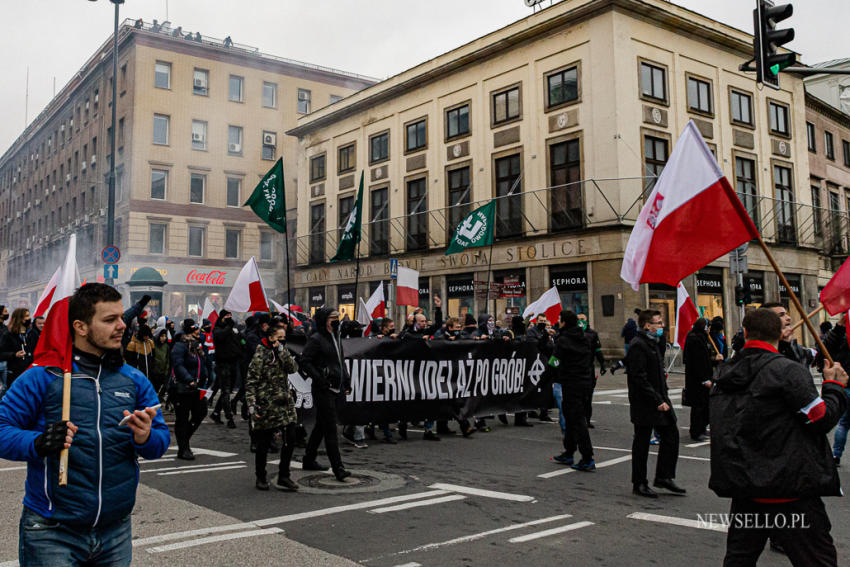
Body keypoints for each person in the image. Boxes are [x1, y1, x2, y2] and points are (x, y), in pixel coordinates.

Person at [0, 283, 169, 566]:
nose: (121, 326)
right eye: (109, 320)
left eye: (121, 317)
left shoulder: (134, 379)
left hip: (116, 529)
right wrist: (38, 443)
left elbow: (160, 440)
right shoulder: (42, 377)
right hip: (52, 532)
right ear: (80, 326)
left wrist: (146, 437)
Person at [710, 308, 847, 566]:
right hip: (789, 493)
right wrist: (834, 388)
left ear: (746, 333)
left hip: (746, 491)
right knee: (817, 560)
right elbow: (821, 418)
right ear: (780, 334)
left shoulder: (726, 371)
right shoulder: (787, 371)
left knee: (739, 560)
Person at [626, 309, 684, 498]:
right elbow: (638, 377)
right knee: (642, 442)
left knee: (671, 434)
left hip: (660, 396)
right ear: (647, 325)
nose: (662, 326)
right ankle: (639, 482)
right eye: (658, 323)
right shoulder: (638, 344)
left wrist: (662, 396)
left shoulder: (653, 343)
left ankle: (664, 476)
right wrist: (657, 399)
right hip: (646, 401)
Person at [299, 307, 351, 481]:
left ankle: (308, 458)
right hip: (323, 389)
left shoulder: (336, 336)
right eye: (332, 317)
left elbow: (340, 360)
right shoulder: (316, 339)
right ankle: (338, 468)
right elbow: (305, 361)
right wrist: (319, 378)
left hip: (336, 386)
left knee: (321, 425)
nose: (336, 320)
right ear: (324, 320)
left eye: (337, 316)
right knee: (330, 428)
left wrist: (347, 380)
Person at [246, 325, 299, 491]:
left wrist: (282, 351)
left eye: (284, 338)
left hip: (285, 403)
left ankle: (284, 475)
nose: (282, 340)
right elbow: (251, 381)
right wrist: (252, 405)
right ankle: (260, 476)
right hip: (267, 404)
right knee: (263, 443)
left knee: (290, 439)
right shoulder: (260, 354)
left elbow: (293, 368)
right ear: (271, 337)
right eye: (280, 337)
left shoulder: (282, 351)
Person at [551, 310, 595, 471]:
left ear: (564, 322)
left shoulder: (563, 340)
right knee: (571, 417)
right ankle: (569, 451)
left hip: (571, 383)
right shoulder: (584, 338)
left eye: (560, 319)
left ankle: (587, 457)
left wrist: (550, 373)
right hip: (584, 382)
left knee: (577, 420)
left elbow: (555, 361)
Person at [169, 319, 208, 460]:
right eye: (197, 331)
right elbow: (178, 365)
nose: (200, 333)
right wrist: (189, 379)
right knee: (182, 419)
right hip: (182, 388)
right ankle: (184, 448)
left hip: (197, 387)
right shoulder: (180, 345)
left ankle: (185, 438)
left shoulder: (197, 346)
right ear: (190, 332)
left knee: (201, 412)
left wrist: (205, 378)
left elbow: (201, 365)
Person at [683, 318, 722, 442]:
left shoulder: (702, 338)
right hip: (697, 380)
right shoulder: (695, 339)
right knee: (698, 407)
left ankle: (702, 427)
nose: (709, 330)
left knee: (705, 406)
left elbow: (705, 358)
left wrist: (715, 359)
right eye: (708, 327)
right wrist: (704, 379)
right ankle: (696, 431)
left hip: (705, 376)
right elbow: (697, 362)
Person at [211, 310, 240, 428]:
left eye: (230, 316)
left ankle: (216, 412)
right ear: (222, 317)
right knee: (226, 392)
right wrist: (229, 327)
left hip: (233, 364)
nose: (229, 318)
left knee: (226, 391)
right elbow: (221, 336)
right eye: (227, 316)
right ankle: (230, 418)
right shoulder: (218, 329)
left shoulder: (231, 330)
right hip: (223, 365)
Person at [577, 313, 605, 428]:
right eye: (578, 319)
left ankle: (587, 419)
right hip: (577, 369)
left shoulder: (592, 334)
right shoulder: (572, 333)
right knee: (578, 397)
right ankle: (578, 419)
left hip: (588, 369)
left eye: (582, 319)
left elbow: (598, 350)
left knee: (588, 397)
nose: (581, 321)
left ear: (586, 319)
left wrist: (602, 364)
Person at [0, 308, 37, 390]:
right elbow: (1, 354)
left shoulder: (32, 333)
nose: (29, 318)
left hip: (31, 372)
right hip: (15, 374)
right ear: (19, 318)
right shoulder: (8, 335)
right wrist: (14, 354)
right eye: (26, 316)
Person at [150, 327, 170, 399]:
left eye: (165, 336)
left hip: (162, 373)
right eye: (162, 336)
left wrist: (166, 372)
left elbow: (167, 359)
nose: (164, 338)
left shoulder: (166, 346)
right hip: (154, 372)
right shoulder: (153, 345)